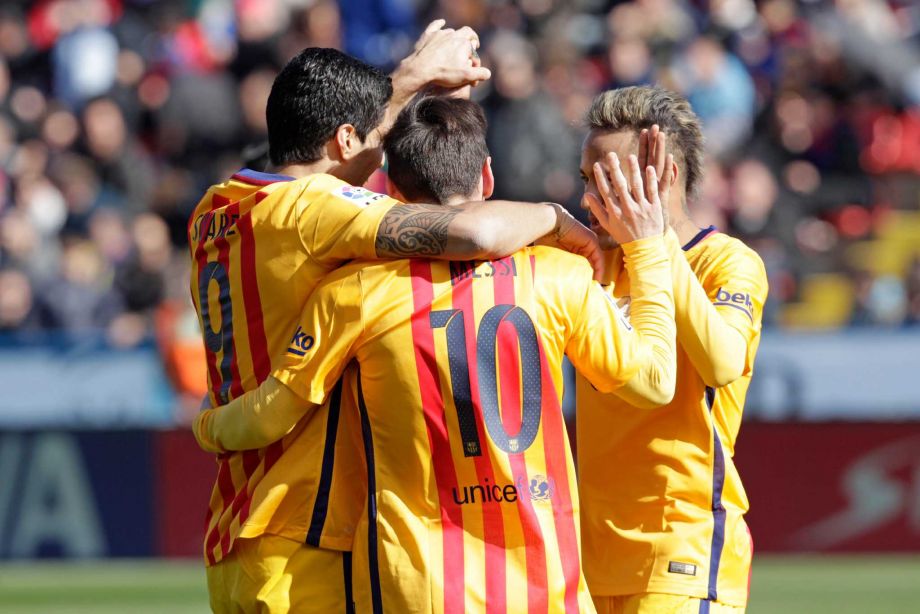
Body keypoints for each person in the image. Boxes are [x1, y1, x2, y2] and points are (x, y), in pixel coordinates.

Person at [193, 95, 677, 613]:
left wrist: (205, 424)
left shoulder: (353, 292)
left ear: (392, 193)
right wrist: (649, 248)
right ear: (488, 179)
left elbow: (268, 419)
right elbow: (654, 382)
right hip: (546, 586)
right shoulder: (558, 276)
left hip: (416, 587)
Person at [577, 86, 769, 614]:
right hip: (587, 561)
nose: (589, 198)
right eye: (586, 179)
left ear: (664, 177)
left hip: (682, 554)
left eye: (608, 180)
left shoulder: (728, 263)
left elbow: (723, 363)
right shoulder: (587, 261)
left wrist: (653, 237)